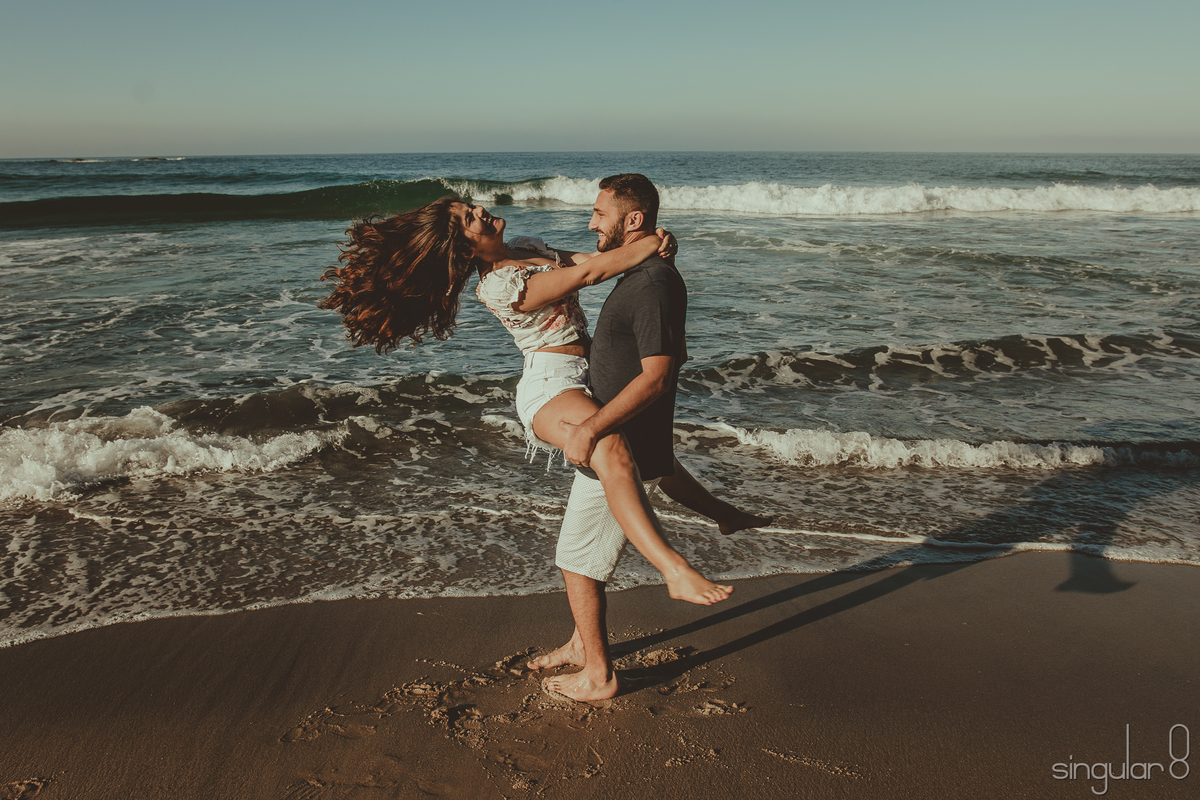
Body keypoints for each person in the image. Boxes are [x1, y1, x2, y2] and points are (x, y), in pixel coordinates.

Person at [320, 194, 768, 611]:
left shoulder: (524, 248)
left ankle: (721, 513)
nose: (477, 210)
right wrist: (650, 243)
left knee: (646, 452)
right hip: (551, 386)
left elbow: (594, 259)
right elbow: (588, 276)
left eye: (469, 206)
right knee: (611, 447)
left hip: (589, 374)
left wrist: (655, 246)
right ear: (464, 247)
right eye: (466, 218)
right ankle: (674, 569)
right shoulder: (496, 285)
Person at [529, 173, 741, 702]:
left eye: (600, 214)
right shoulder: (642, 271)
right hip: (617, 434)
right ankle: (582, 645)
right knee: (588, 552)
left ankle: (597, 674)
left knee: (576, 559)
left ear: (634, 220)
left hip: (611, 435)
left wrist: (593, 427)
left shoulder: (652, 285)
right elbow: (585, 264)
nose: (591, 222)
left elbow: (657, 376)